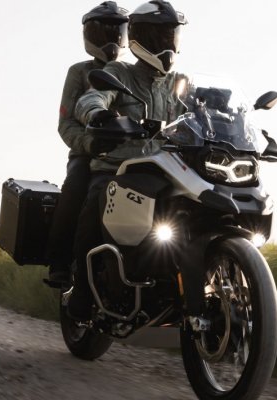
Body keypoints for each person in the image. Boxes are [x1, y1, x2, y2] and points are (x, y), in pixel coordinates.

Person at [65, 0, 194, 324]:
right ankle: (80, 291)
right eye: (160, 37)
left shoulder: (181, 82)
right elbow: (92, 98)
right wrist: (99, 113)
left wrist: (228, 117)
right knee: (96, 202)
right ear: (140, 38)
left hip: (167, 171)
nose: (167, 44)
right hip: (116, 167)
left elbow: (202, 111)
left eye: (171, 37)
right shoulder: (118, 72)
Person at [44, 1, 131, 288]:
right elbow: (65, 123)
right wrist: (89, 144)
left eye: (117, 32)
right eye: (103, 31)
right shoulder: (79, 72)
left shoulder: (130, 73)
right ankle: (59, 263)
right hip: (87, 152)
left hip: (130, 156)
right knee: (76, 186)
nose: (112, 39)